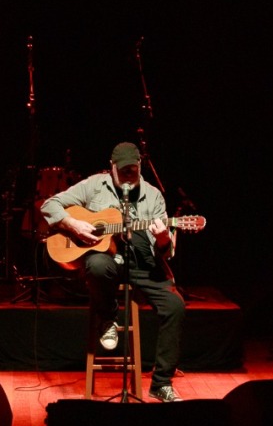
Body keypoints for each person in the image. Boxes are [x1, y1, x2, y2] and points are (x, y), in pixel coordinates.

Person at [40, 142, 186, 402]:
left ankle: (161, 383)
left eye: (133, 170)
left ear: (140, 167)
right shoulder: (94, 185)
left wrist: (163, 236)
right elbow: (49, 205)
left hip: (143, 262)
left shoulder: (153, 196)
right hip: (108, 260)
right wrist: (72, 224)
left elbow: (165, 251)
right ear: (112, 168)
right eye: (123, 171)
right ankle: (109, 317)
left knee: (175, 305)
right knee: (96, 265)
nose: (129, 176)